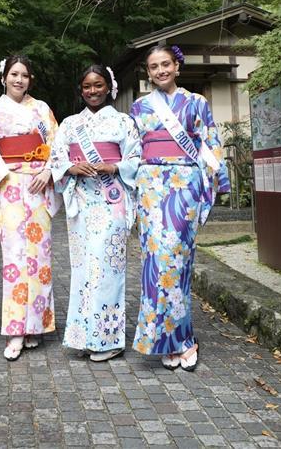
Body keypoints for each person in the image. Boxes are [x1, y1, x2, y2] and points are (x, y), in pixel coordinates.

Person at [130, 44, 229, 371]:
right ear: (148, 72)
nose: (160, 70)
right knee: (154, 262)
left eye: (165, 64)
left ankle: (183, 339)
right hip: (150, 186)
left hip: (184, 185)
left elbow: (210, 143)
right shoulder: (140, 107)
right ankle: (162, 341)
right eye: (154, 66)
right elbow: (132, 150)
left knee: (177, 260)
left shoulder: (196, 102)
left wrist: (215, 180)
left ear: (177, 66)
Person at [48, 64, 140, 362]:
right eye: (87, 86)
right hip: (82, 202)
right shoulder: (70, 124)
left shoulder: (123, 122)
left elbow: (136, 158)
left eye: (98, 85)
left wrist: (113, 166)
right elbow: (56, 158)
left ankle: (108, 338)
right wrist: (72, 168)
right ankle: (83, 336)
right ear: (81, 89)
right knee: (83, 269)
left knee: (109, 268)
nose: (92, 91)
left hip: (112, 200)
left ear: (108, 87)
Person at [0, 55, 60, 361]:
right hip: (9, 185)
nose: (19, 79)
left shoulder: (41, 109)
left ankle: (36, 326)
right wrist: (7, 176)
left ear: (30, 80)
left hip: (38, 184)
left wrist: (47, 170)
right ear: (4, 77)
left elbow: (57, 143)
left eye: (24, 75)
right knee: (14, 256)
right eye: (14, 74)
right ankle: (16, 329)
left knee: (40, 257)